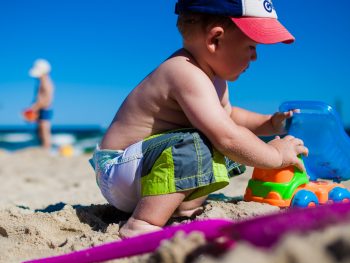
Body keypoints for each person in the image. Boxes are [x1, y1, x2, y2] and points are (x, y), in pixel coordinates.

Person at [90, 0, 309, 238]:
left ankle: (178, 207)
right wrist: (276, 156)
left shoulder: (215, 79)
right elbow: (227, 135)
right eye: (251, 46)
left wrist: (268, 123)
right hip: (119, 170)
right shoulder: (183, 72)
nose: (255, 57)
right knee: (207, 142)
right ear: (215, 40)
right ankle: (143, 223)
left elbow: (230, 116)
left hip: (145, 171)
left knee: (215, 138)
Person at [27, 59, 54, 149]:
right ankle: (43, 147)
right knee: (40, 130)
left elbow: (47, 99)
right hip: (41, 108)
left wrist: (35, 107)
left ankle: (46, 148)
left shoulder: (46, 82)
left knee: (44, 130)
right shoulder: (41, 82)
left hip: (45, 108)